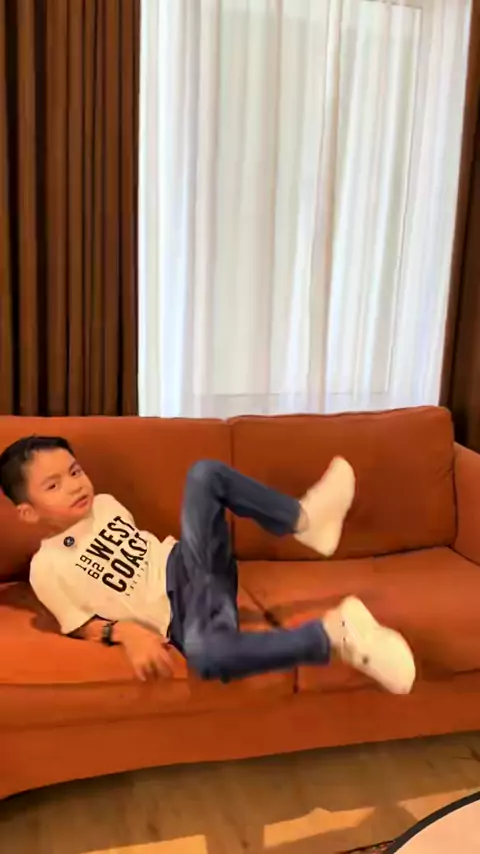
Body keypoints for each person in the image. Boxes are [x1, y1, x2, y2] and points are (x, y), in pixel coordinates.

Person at [0, 435, 415, 694]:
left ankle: (304, 520)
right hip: (181, 617)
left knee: (205, 475)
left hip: (187, 563)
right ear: (28, 512)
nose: (75, 486)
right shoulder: (46, 567)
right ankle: (337, 635)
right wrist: (129, 633)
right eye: (53, 485)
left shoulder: (106, 504)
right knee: (207, 656)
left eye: (75, 471)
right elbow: (79, 625)